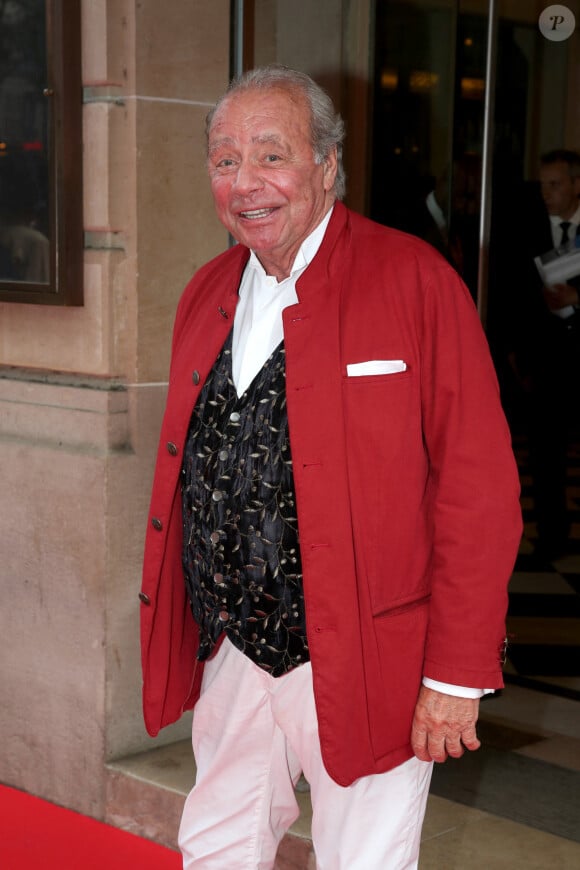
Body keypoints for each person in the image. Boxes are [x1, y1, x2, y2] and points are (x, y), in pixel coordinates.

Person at [140, 65, 522, 869]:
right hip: (235, 650)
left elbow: (477, 490)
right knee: (215, 845)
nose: (246, 182)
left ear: (327, 164)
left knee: (366, 859)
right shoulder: (206, 290)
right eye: (223, 159)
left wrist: (455, 675)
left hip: (367, 655)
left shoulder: (414, 281)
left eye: (271, 155)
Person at [505, 149, 580, 561]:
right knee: (545, 453)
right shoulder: (527, 229)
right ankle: (553, 535)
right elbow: (513, 293)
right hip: (546, 360)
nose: (547, 194)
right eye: (543, 185)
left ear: (575, 184)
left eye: (555, 184)